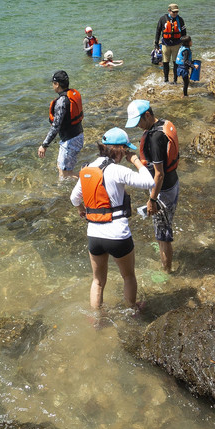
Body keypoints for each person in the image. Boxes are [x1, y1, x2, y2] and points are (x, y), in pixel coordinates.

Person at [70, 128, 156, 311]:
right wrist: (136, 161)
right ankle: (132, 310)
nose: (126, 152)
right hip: (117, 234)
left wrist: (81, 210)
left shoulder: (86, 169)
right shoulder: (117, 170)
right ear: (118, 149)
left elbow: (74, 198)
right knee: (128, 276)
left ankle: (96, 320)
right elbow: (149, 182)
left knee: (98, 281)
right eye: (125, 149)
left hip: (94, 234)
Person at [126, 99, 179, 274]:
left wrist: (152, 200)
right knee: (164, 228)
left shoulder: (155, 138)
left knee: (163, 235)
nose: (138, 127)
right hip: (172, 184)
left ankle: (167, 272)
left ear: (147, 115)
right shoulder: (163, 124)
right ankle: (165, 255)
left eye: (139, 122)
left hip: (163, 191)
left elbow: (159, 174)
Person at [38, 70, 84, 182]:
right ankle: (62, 192)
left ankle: (90, 183)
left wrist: (44, 145)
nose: (52, 86)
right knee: (61, 167)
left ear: (57, 84)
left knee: (65, 174)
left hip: (71, 141)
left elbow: (56, 126)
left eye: (53, 83)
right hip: (77, 136)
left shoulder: (62, 101)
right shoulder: (72, 95)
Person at [154, 4, 187, 84]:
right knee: (165, 63)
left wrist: (185, 45)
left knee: (176, 63)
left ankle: (175, 80)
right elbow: (158, 32)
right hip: (165, 44)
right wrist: (156, 44)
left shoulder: (180, 20)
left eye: (177, 12)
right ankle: (166, 80)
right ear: (169, 11)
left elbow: (184, 33)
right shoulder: (162, 19)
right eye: (173, 12)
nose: (175, 13)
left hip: (177, 45)